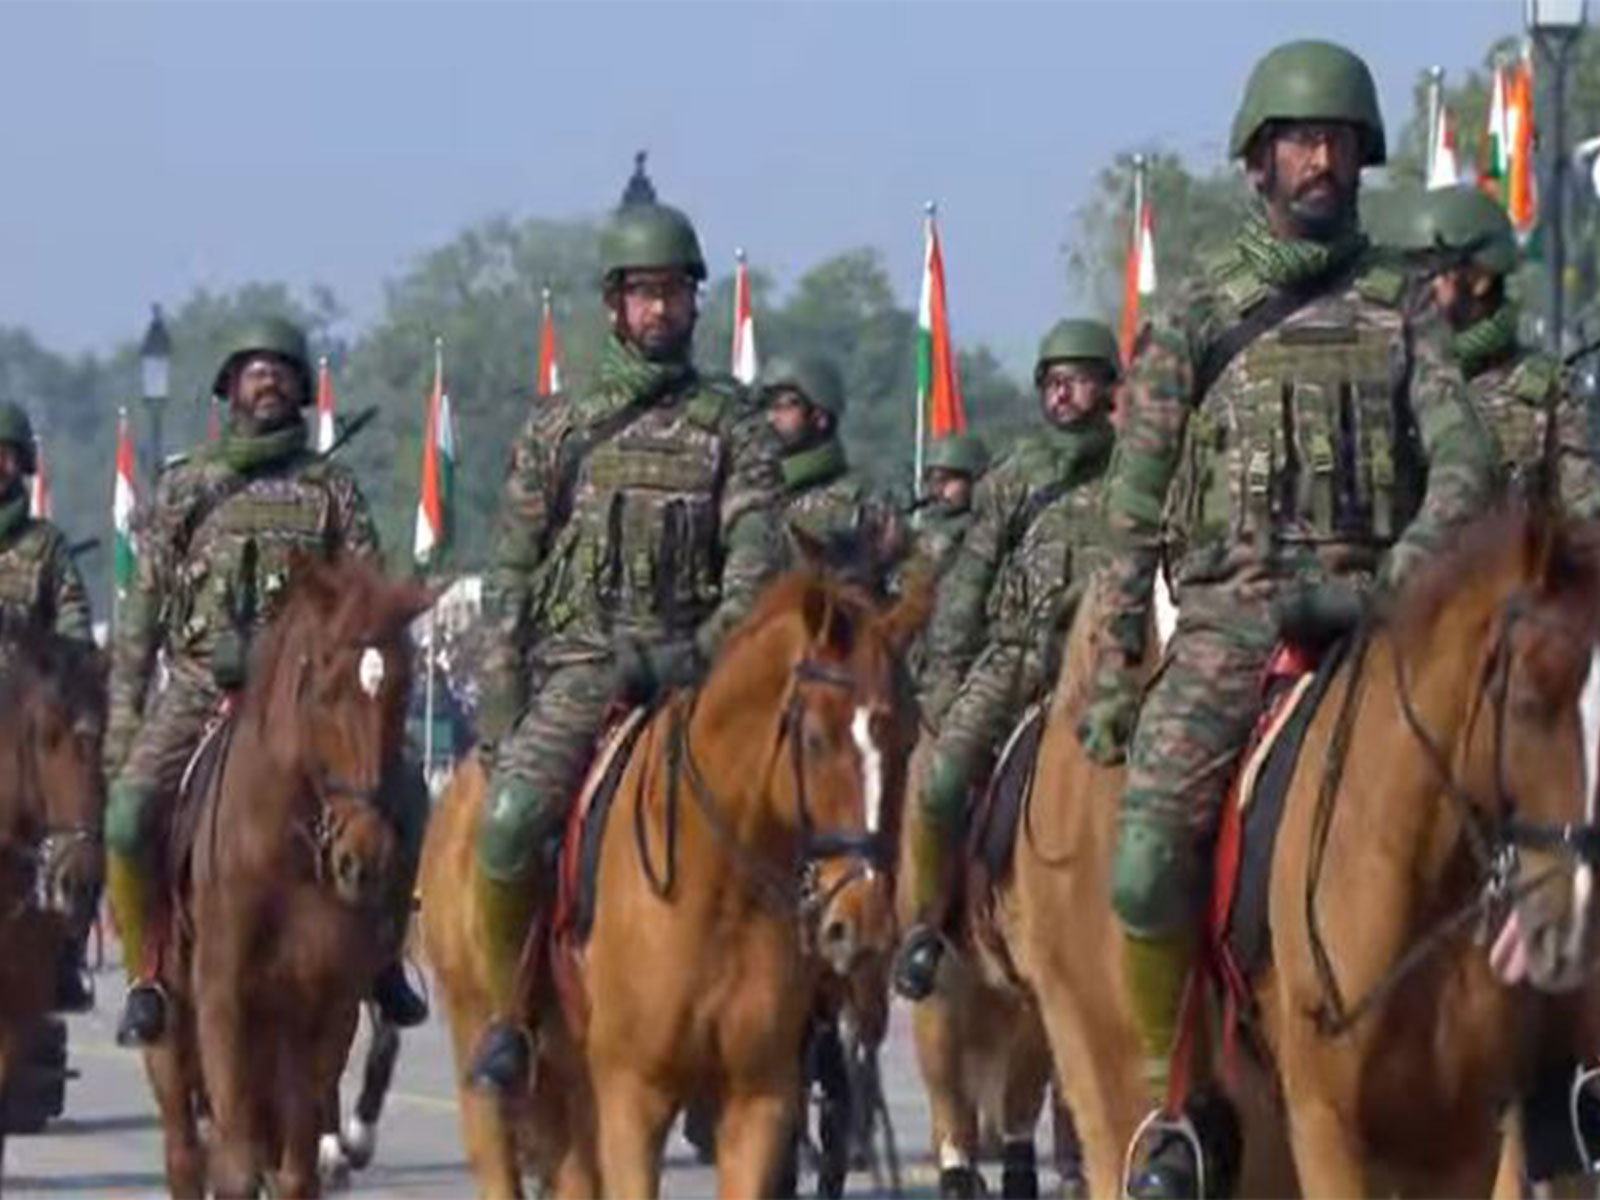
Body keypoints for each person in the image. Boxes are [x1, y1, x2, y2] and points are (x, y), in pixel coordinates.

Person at [1076, 41, 1500, 1197]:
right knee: (1146, 859)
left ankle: (1540, 1065)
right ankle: (1184, 1103)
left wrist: (1396, 580)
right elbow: (1133, 503)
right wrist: (1118, 659)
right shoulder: (1200, 315)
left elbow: (1464, 462)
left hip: (1383, 620)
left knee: (1530, 813)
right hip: (1233, 625)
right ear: (1259, 161)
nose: (1321, 159)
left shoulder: (1402, 304)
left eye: (1339, 143)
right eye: (1300, 142)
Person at [469, 198, 784, 1094]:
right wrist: (501, 715)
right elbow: (510, 579)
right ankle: (511, 1013)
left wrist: (699, 653)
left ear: (696, 304)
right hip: (581, 672)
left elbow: (756, 565)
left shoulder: (736, 426)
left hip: (700, 677)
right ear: (613, 306)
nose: (660, 312)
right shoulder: (559, 429)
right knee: (506, 827)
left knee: (815, 820)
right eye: (643, 295)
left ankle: (808, 1013)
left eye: (674, 294)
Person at [103, 317, 429, 1047]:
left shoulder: (331, 490)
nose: (269, 380)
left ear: (302, 391)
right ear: (228, 388)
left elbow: (367, 595)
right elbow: (141, 613)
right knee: (127, 817)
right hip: (198, 684)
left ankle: (380, 956)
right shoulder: (186, 486)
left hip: (312, 698)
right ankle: (149, 967)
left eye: (281, 369)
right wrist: (125, 719)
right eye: (254, 368)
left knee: (405, 793)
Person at [892, 318, 1122, 999]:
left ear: (1108, 389)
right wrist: (947, 684)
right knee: (939, 782)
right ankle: (930, 925)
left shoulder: (1139, 475)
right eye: (1053, 383)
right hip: (1015, 658)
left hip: (1110, 667)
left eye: (1078, 381)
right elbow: (968, 584)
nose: (1064, 397)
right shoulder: (1013, 481)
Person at [1395, 184, 1600, 515]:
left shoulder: (1545, 390)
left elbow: (1586, 515)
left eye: (1433, 271)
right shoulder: (1396, 379)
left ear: (1479, 278)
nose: (1417, 289)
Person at [0, 400, 97, 1009]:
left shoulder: (47, 547)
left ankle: (63, 951)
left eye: (1, 454)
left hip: (28, 720)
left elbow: (76, 631)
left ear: (21, 464)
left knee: (87, 813)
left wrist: (40, 656)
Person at [763, 353, 874, 541]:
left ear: (819, 416)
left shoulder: (850, 505)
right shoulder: (754, 491)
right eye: (768, 407)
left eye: (784, 406)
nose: (771, 418)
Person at [912, 431, 989, 577]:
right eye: (933, 480)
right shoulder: (929, 523)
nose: (938, 489)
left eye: (946, 480)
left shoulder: (987, 526)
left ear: (974, 479)